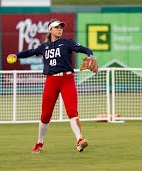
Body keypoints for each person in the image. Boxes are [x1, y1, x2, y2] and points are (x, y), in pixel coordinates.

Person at [7, 19, 98, 153]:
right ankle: (39, 143)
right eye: (57, 27)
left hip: (67, 79)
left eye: (61, 27)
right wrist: (16, 55)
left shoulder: (67, 43)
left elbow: (85, 49)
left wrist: (91, 55)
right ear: (50, 29)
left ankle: (80, 140)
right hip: (51, 81)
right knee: (45, 115)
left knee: (72, 111)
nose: (60, 29)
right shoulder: (45, 46)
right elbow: (30, 52)